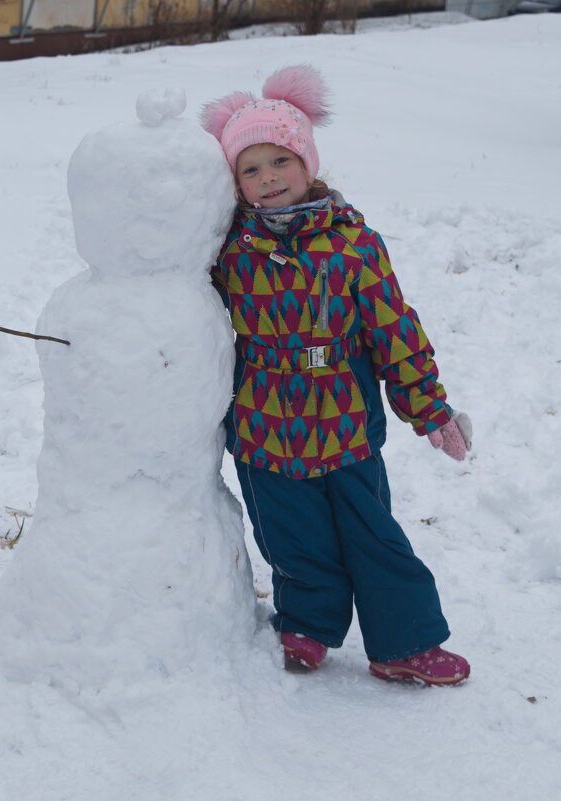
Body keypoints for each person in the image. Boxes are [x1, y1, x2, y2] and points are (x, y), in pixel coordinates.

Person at [200, 65, 473, 686]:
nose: (268, 178)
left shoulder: (354, 244)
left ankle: (402, 642)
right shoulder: (229, 251)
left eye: (280, 161)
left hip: (346, 422)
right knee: (291, 539)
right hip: (265, 424)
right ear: (235, 184)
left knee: (372, 535)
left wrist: (429, 409)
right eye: (251, 169)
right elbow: (188, 318)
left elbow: (395, 332)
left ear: (307, 162)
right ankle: (307, 626)